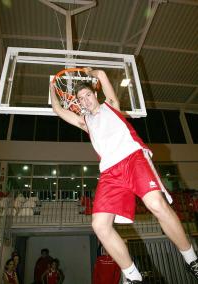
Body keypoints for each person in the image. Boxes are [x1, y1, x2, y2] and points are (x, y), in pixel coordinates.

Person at [50, 68, 198, 283]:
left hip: (133, 159)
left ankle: (191, 259)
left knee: (156, 204)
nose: (85, 100)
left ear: (95, 95)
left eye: (88, 95)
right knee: (99, 226)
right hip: (110, 172)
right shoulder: (86, 122)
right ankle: (133, 276)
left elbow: (100, 74)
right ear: (79, 103)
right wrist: (52, 86)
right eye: (81, 99)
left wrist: (90, 72)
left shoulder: (111, 106)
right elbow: (57, 109)